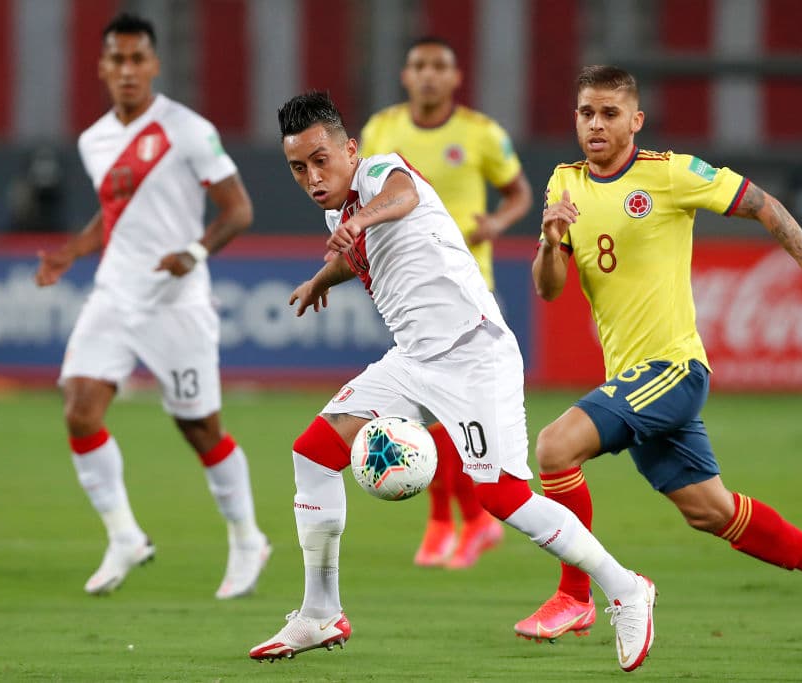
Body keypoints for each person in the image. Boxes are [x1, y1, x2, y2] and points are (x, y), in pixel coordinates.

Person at [247, 91, 656, 673]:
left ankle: (625, 588)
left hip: (473, 353)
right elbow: (358, 252)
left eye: (321, 160)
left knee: (501, 497)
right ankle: (320, 611)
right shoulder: (338, 211)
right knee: (313, 454)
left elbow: (402, 197)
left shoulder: (382, 173)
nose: (313, 177)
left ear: (349, 150)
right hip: (413, 361)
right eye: (298, 168)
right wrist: (323, 278)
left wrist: (359, 218)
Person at [519, 64, 802, 656]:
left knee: (555, 448)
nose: (596, 124)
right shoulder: (564, 183)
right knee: (710, 511)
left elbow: (764, 205)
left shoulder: (671, 174)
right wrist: (550, 241)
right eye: (586, 112)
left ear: (635, 120)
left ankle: (576, 595)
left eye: (610, 113)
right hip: (633, 380)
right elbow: (550, 288)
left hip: (672, 370)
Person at [34, 13, 269, 599]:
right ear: (103, 68)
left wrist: (194, 250)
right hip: (115, 294)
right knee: (80, 410)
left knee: (199, 428)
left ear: (155, 65)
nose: (128, 70)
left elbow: (238, 210)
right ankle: (123, 535)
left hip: (177, 302)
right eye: (118, 60)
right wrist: (74, 250)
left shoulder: (188, 129)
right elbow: (114, 213)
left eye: (139, 59)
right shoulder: (93, 141)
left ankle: (246, 537)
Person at [359, 36, 533, 569]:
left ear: (456, 77)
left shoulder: (480, 134)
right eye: (419, 66)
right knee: (433, 413)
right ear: (405, 76)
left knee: (449, 413)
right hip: (407, 286)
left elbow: (519, 192)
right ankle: (458, 521)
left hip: (466, 287)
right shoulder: (381, 130)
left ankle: (458, 523)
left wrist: (498, 223)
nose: (429, 75)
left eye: (440, 65)